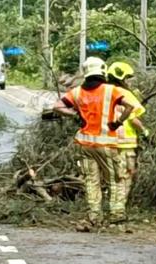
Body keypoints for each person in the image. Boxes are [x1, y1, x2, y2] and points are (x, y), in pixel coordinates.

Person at [54, 56, 135, 227]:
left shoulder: (76, 92)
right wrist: (118, 122)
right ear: (102, 71)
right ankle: (116, 214)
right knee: (116, 179)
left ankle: (94, 215)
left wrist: (75, 115)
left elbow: (57, 107)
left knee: (92, 180)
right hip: (107, 143)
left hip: (85, 144)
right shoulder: (111, 90)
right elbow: (129, 107)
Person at [105, 61, 149, 200]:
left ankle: (111, 202)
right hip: (125, 144)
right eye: (127, 78)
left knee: (112, 175)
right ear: (122, 78)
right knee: (126, 175)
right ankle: (119, 206)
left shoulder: (103, 92)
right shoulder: (126, 95)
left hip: (105, 141)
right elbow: (133, 119)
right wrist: (144, 131)